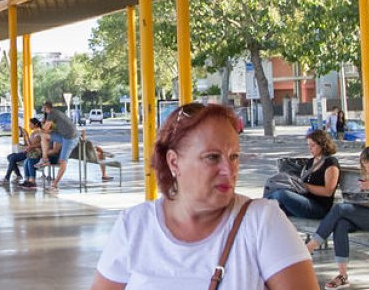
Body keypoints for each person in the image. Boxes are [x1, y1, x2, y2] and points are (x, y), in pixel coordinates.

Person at [92, 102, 317, 289]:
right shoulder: (134, 226)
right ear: (174, 162)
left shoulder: (262, 222)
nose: (229, 171)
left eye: (234, 156)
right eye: (212, 157)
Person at [306, 146, 369, 289]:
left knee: (340, 208)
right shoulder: (368, 173)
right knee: (341, 223)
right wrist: (361, 197)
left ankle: (310, 247)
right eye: (366, 168)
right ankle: (343, 276)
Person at [266, 130, 340, 220]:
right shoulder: (311, 161)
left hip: (319, 208)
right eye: (308, 145)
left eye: (313, 145)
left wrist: (305, 186)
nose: (310, 148)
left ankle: (260, 207)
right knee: (274, 201)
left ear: (322, 145)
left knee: (282, 195)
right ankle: (260, 210)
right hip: (303, 200)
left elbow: (328, 192)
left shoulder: (330, 162)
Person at [0, 117, 45, 186]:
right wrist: (25, 136)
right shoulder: (33, 133)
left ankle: (7, 177)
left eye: (30, 124)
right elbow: (27, 144)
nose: (29, 125)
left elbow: (30, 146)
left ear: (35, 124)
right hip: (29, 152)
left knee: (12, 158)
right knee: (10, 156)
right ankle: (18, 175)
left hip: (32, 153)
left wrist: (26, 135)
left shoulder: (38, 133)